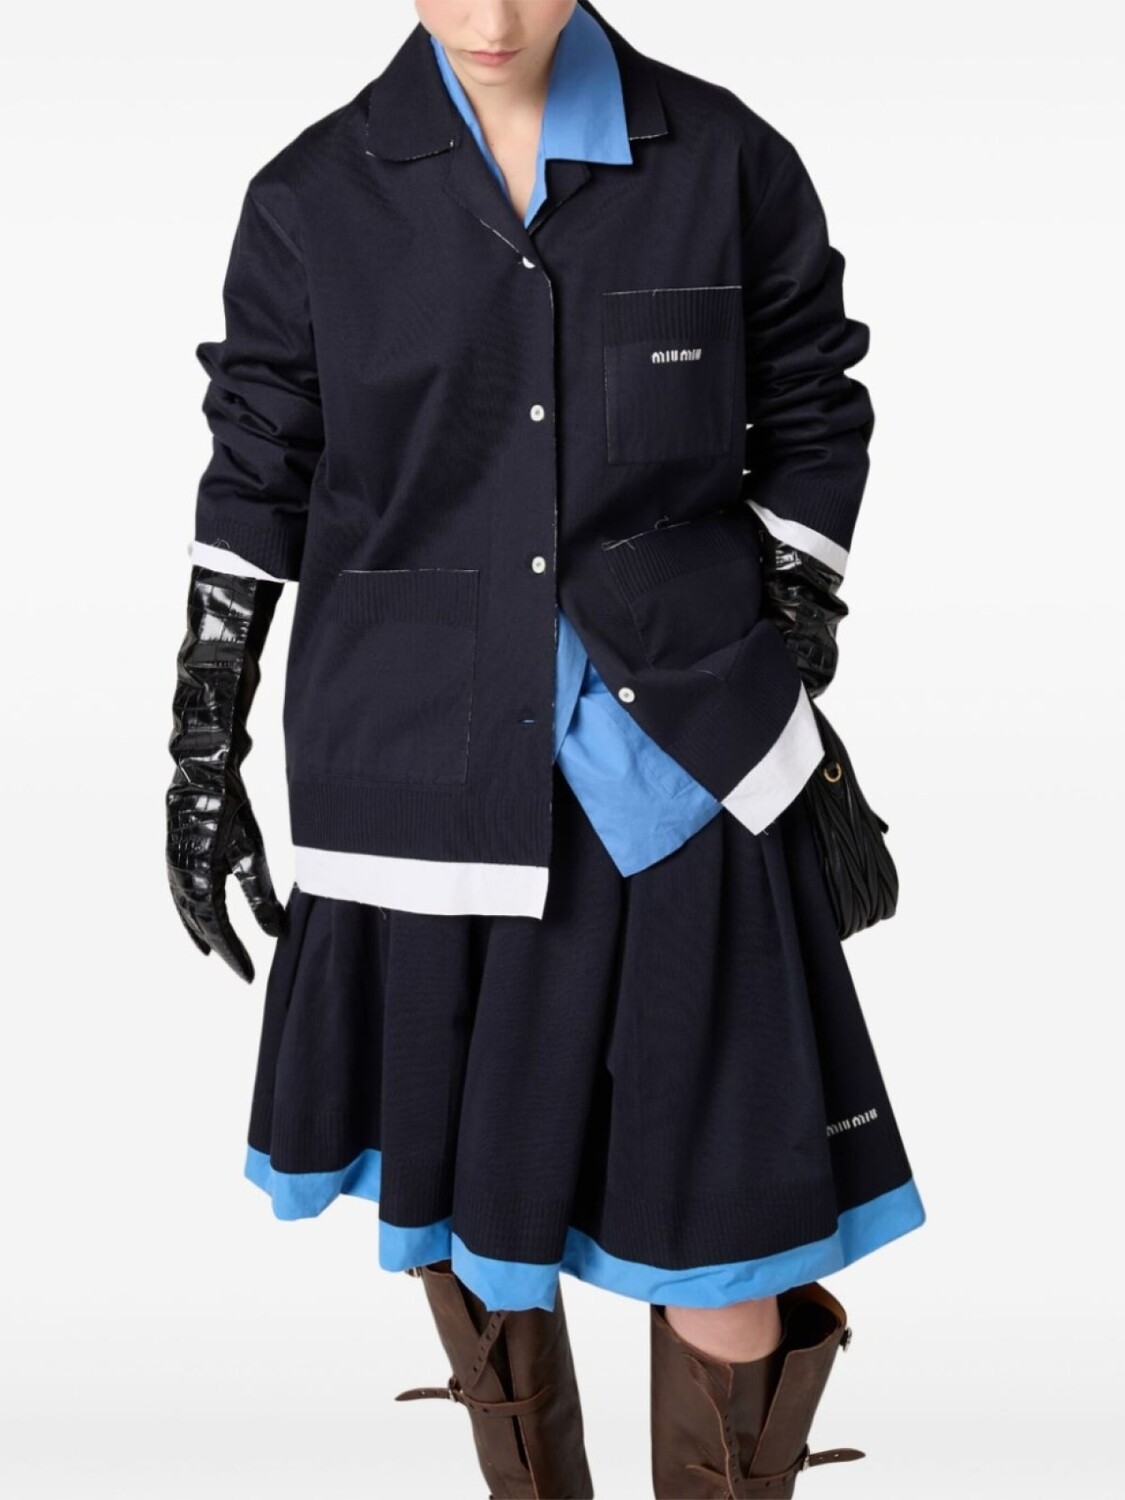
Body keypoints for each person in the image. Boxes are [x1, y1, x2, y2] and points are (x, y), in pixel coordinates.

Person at [165, 2, 927, 1495]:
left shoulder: (723, 158)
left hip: (684, 772)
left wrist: (788, 621)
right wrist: (203, 748)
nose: (491, 19)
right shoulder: (311, 196)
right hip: (417, 779)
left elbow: (810, 401)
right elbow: (257, 466)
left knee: (726, 1234)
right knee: (469, 1223)